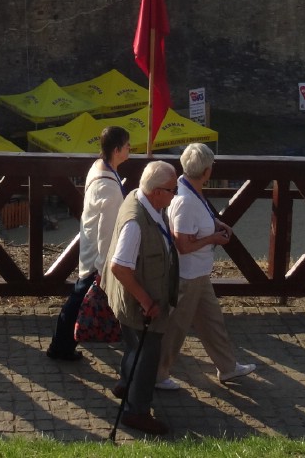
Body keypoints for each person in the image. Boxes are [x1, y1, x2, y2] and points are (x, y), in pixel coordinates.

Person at [156, 143, 255, 389]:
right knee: (175, 329)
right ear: (207, 171)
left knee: (212, 321)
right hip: (187, 276)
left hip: (198, 274)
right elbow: (183, 244)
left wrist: (216, 223)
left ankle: (227, 367)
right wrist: (212, 238)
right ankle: (158, 374)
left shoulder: (187, 187)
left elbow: (198, 221)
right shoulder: (186, 200)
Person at [104, 159, 180, 437]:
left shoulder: (142, 198)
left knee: (134, 346)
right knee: (147, 356)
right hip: (140, 304)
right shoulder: (136, 222)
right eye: (172, 190)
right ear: (157, 192)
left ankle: (126, 384)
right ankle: (137, 411)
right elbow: (120, 267)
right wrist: (147, 301)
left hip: (133, 300)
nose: (175, 195)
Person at [46, 124, 131, 361]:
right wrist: (103, 267)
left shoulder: (98, 166)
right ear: (116, 150)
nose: (130, 149)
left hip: (90, 244)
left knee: (79, 297)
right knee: (79, 299)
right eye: (127, 146)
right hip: (97, 254)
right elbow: (107, 231)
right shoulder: (110, 188)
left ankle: (62, 345)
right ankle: (60, 346)